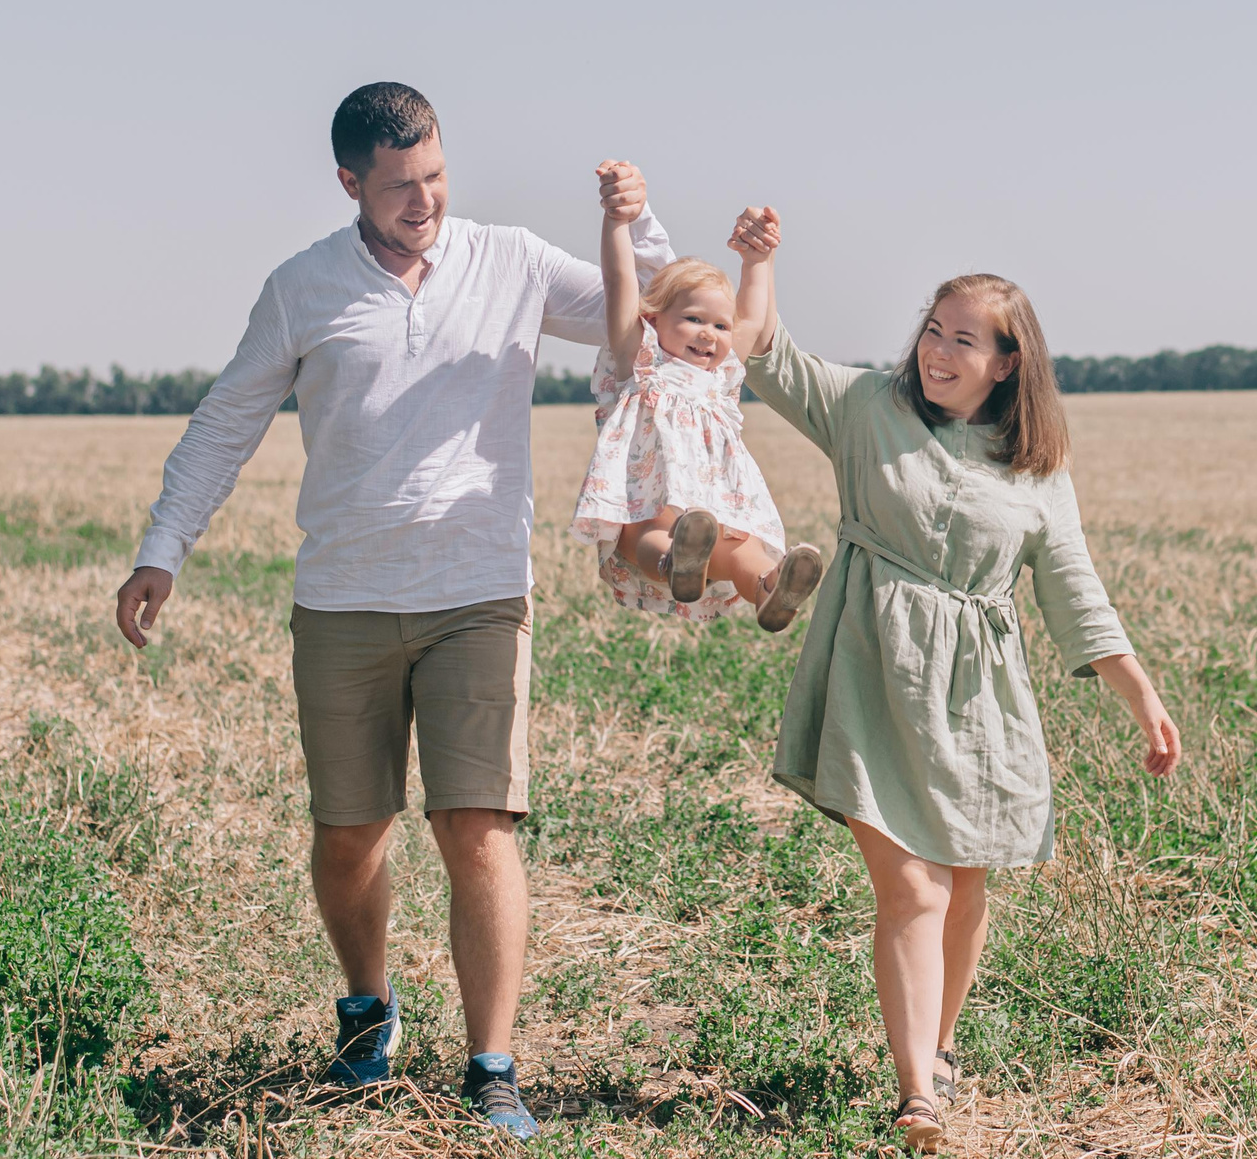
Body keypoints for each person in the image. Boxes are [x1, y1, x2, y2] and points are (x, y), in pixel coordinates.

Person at [111, 82, 675, 1141]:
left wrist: (632, 222)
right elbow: (229, 416)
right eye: (400, 186)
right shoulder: (302, 287)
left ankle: (491, 1064)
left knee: (479, 825)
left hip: (477, 592)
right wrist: (162, 547)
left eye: (436, 176)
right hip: (343, 601)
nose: (424, 201)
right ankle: (367, 1008)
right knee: (348, 835)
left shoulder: (506, 259)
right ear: (349, 183)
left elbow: (644, 313)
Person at [728, 207, 1182, 1154]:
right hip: (871, 670)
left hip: (979, 698)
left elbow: (1075, 591)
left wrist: (1141, 693)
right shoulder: (867, 408)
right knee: (915, 889)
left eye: (963, 339)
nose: (938, 349)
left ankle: (935, 1049)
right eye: (933, 330)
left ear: (1007, 361)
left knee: (967, 888)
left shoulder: (1036, 465)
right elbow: (769, 356)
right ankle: (916, 1096)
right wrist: (758, 263)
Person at [569, 169, 825, 628]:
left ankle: (771, 588)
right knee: (651, 533)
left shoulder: (722, 378)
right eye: (693, 319)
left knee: (742, 548)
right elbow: (619, 279)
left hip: (715, 507)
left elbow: (751, 313)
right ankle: (675, 565)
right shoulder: (640, 359)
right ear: (654, 317)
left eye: (719, 326)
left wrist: (759, 258)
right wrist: (616, 222)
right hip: (651, 502)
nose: (710, 334)